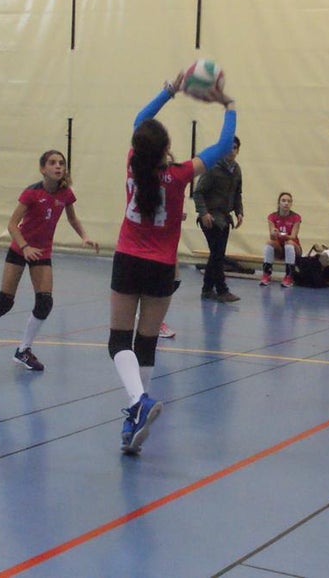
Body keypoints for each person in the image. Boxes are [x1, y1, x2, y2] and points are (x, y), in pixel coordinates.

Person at [110, 71, 236, 454]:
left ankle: (137, 402)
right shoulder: (180, 175)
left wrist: (169, 90)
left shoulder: (133, 163)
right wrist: (228, 104)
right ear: (167, 148)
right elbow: (224, 145)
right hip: (162, 267)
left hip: (128, 259)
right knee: (146, 342)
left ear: (139, 147)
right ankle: (136, 417)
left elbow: (140, 120)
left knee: (119, 341)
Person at [0, 150, 99, 372]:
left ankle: (23, 350)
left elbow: (72, 218)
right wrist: (25, 247)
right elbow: (12, 225)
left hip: (42, 253)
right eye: (52, 163)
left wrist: (84, 236)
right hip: (20, 249)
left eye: (61, 163)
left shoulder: (65, 193)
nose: (58, 166)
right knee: (5, 301)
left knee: (45, 302)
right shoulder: (31, 193)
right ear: (42, 169)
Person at [193, 135, 243, 302]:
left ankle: (207, 289)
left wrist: (239, 211)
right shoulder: (213, 168)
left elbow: (237, 193)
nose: (232, 150)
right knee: (217, 254)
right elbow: (198, 192)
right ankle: (222, 290)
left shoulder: (236, 170)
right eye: (229, 147)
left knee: (216, 254)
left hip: (225, 219)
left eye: (235, 148)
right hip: (211, 218)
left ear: (238, 151)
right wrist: (203, 213)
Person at [261, 192, 301, 288]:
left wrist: (283, 235)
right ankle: (266, 274)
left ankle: (289, 276)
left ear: (291, 204)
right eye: (283, 201)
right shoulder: (272, 217)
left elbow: (293, 236)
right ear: (279, 203)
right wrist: (274, 233)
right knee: (269, 243)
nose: (286, 203)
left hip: (294, 248)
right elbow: (272, 237)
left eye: (289, 201)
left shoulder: (296, 217)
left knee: (289, 243)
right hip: (279, 249)